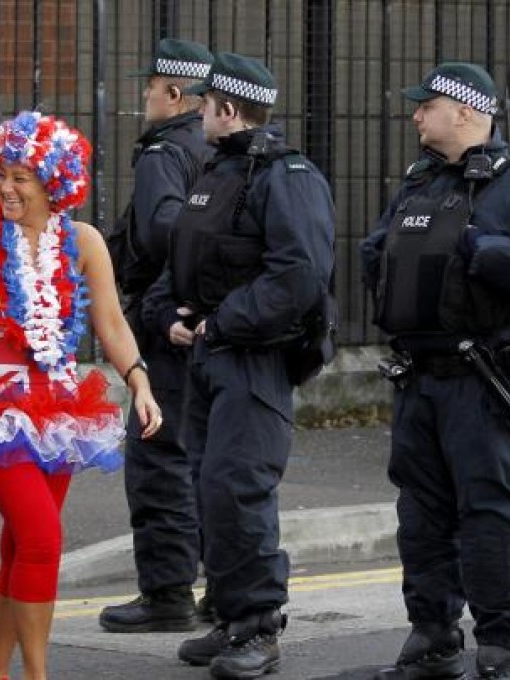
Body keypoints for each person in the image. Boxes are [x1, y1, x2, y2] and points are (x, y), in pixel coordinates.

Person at [0, 111, 162, 680]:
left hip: (59, 409)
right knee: (40, 538)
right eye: (1, 174)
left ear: (54, 183)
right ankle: (36, 674)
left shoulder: (82, 241)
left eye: (22, 178)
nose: (6, 188)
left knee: (20, 547)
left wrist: (139, 379)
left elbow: (108, 320)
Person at [144, 53, 335, 678]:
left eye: (204, 104)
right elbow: (182, 261)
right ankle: (231, 617)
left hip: (252, 361)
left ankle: (259, 627)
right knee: (210, 489)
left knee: (239, 491)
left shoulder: (287, 175)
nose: (197, 111)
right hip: (208, 357)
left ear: (228, 109)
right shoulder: (216, 172)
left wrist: (220, 322)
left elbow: (299, 274)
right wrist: (168, 312)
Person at [361, 63, 510, 680]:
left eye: (429, 105)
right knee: (420, 512)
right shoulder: (420, 180)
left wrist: (477, 249)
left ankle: (500, 639)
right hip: (417, 375)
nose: (417, 114)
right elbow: (376, 251)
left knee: (486, 509)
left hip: (479, 377)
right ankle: (432, 631)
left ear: (469, 113)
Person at [99, 37, 215, 635]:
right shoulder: (213, 146)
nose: (143, 95)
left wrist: (165, 293)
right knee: (204, 458)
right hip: (204, 325)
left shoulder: (162, 155)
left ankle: (168, 592)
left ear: (174, 94)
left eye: (150, 86)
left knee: (158, 456)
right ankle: (217, 591)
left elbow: (166, 228)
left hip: (163, 318)